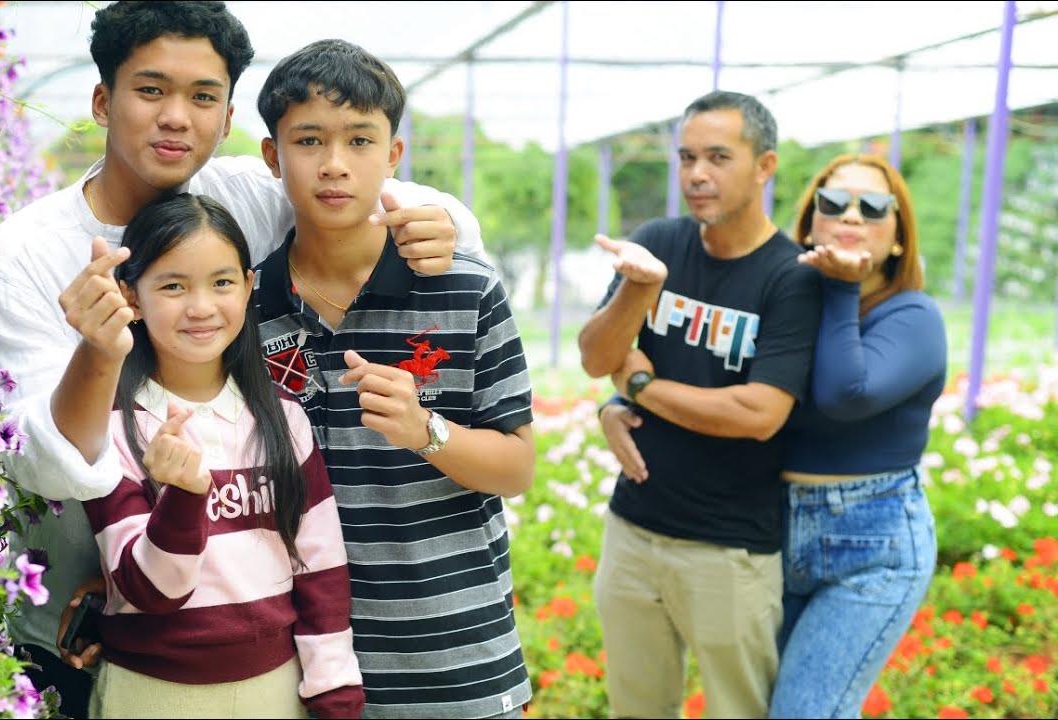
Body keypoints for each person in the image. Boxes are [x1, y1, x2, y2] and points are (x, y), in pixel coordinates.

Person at [0, 2, 481, 717]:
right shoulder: (23, 254)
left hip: (247, 627)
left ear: (228, 114)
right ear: (102, 101)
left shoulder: (239, 196)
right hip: (85, 633)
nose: (177, 117)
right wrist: (97, 350)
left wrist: (445, 223)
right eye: (151, 90)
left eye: (203, 96)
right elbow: (44, 467)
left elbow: (387, 188)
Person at [250, 39, 536, 718]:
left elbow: (517, 468)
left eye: (360, 140)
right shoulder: (245, 306)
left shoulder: (465, 290)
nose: (335, 163)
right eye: (309, 140)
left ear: (393, 155)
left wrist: (425, 430)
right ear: (273, 157)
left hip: (455, 666)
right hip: (300, 671)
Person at [580, 90, 822, 719]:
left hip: (729, 551)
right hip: (633, 532)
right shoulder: (658, 242)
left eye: (718, 157)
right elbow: (597, 356)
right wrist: (641, 289)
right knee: (636, 710)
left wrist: (639, 387)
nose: (696, 174)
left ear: (764, 166)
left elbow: (758, 414)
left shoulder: (792, 276)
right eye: (687, 157)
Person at [76, 193, 362, 719]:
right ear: (130, 297)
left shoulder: (284, 418)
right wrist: (184, 498)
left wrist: (334, 691)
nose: (202, 307)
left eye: (222, 282)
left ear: (249, 287)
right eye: (173, 286)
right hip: (150, 692)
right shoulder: (111, 425)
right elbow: (151, 591)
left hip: (276, 688)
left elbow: (321, 571)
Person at [769, 154, 943, 718]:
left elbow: (846, 394)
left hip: (874, 544)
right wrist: (624, 400)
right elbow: (713, 367)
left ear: (898, 237)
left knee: (804, 712)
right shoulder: (784, 303)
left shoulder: (914, 316)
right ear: (808, 223)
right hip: (771, 528)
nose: (851, 215)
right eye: (833, 202)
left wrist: (843, 287)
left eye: (872, 207)